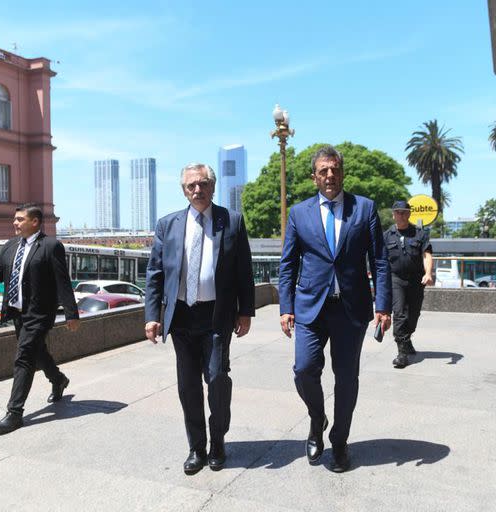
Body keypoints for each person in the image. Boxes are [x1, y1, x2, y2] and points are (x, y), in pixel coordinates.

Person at [279, 145, 392, 473]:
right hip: (310, 307)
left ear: (342, 173)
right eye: (323, 170)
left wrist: (382, 304)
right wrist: (286, 306)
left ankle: (339, 441)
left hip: (351, 309)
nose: (330, 175)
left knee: (346, 378)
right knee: (304, 369)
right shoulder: (299, 213)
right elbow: (288, 264)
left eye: (335, 169)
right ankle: (317, 419)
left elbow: (380, 260)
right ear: (314, 176)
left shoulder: (365, 209)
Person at [144, 163, 255, 475]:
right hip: (180, 317)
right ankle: (197, 447)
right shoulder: (168, 224)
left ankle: (218, 440)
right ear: (183, 190)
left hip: (217, 316)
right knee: (188, 386)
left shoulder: (231, 221)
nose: (197, 190)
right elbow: (154, 273)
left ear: (213, 186)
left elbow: (244, 270)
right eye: (191, 185)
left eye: (203, 184)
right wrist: (153, 315)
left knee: (218, 379)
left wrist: (245, 310)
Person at [0, 203, 79, 434]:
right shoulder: (10, 245)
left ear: (34, 222)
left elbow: (62, 281)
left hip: (39, 314)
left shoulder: (50, 246)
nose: (14, 223)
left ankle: (14, 413)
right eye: (15, 219)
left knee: (24, 357)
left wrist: (71, 313)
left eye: (19, 219)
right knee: (37, 352)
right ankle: (58, 379)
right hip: (17, 312)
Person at [384, 200, 434, 369]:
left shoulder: (420, 233)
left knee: (413, 315)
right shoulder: (386, 235)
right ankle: (402, 352)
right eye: (398, 212)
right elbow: (381, 261)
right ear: (393, 214)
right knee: (399, 314)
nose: (401, 215)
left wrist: (428, 273)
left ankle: (407, 339)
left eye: (404, 212)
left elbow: (427, 255)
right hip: (395, 278)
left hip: (416, 279)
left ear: (410, 213)